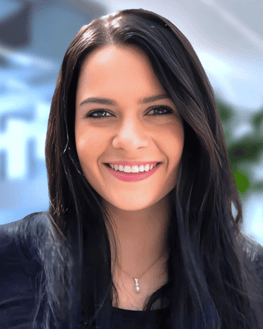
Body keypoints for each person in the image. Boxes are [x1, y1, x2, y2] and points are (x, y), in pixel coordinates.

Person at [0, 8, 263, 329]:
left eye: (157, 110)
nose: (128, 139)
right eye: (100, 113)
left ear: (192, 124)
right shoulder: (8, 262)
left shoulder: (254, 279)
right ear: (69, 130)